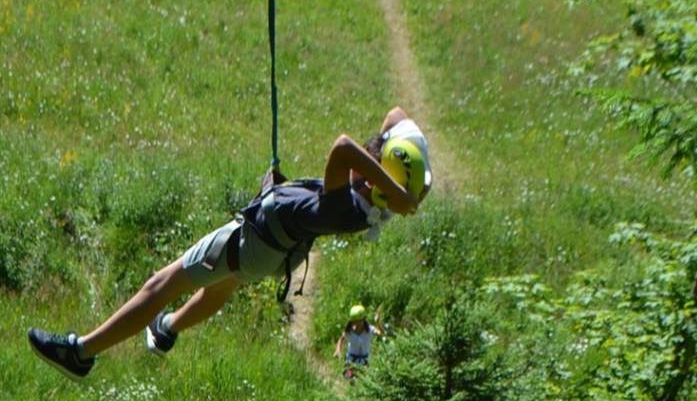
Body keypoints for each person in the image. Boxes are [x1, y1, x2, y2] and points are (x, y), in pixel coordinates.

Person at [29, 108, 432, 378]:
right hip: (270, 254)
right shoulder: (369, 202)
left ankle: (80, 352)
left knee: (162, 283)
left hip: (254, 243)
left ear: (376, 176)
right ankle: (167, 328)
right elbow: (396, 115)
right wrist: (400, 187)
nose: (372, 148)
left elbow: (342, 147)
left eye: (377, 154)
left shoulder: (348, 208)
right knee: (219, 286)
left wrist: (391, 183)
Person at [333, 303, 384, 379]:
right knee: (348, 378)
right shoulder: (349, 332)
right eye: (355, 321)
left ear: (364, 320)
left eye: (359, 321)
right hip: (351, 360)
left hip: (365, 361)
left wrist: (377, 323)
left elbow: (381, 334)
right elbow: (341, 339)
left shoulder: (370, 330)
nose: (358, 324)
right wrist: (338, 350)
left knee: (364, 380)